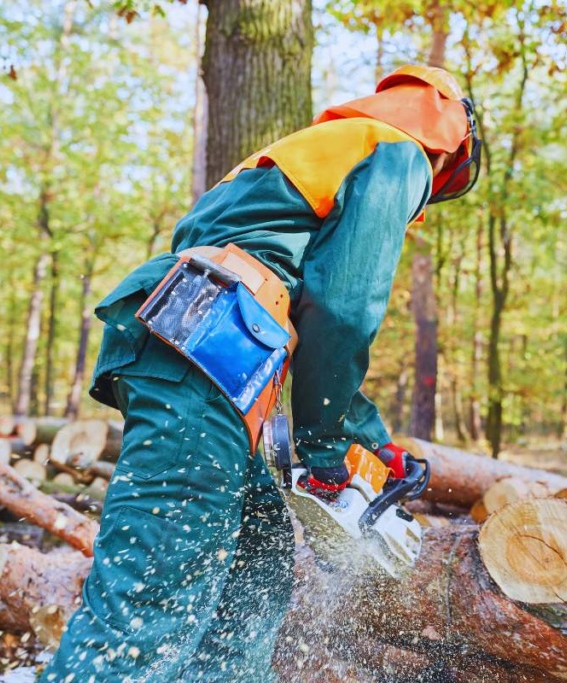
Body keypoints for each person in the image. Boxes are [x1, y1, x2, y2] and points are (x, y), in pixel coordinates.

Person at [43, 64, 481, 682]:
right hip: (206, 357)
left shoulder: (319, 153)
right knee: (151, 600)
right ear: (451, 136)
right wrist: (324, 448)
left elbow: (310, 305)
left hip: (199, 351)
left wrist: (367, 438)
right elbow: (344, 306)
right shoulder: (398, 151)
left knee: (258, 553)